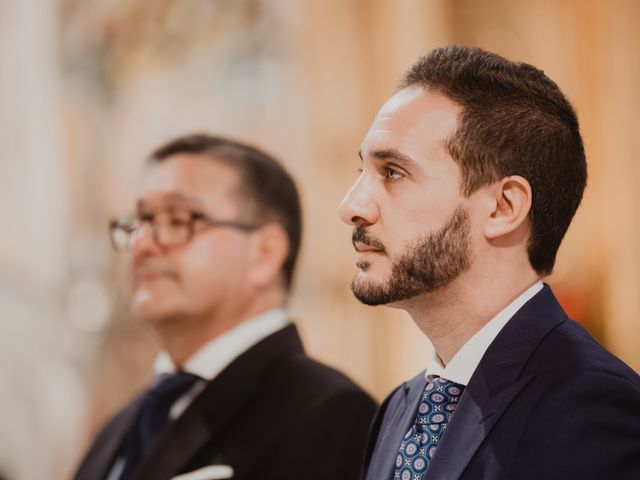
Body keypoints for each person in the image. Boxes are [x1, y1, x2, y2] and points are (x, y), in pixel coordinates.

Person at [338, 45, 640, 479]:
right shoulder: (399, 410)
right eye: (361, 172)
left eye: (392, 173)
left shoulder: (589, 405)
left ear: (502, 207)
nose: (351, 207)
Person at [74, 134, 377, 480]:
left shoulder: (329, 412)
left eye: (178, 220)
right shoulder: (121, 426)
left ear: (264, 254)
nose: (142, 244)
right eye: (139, 222)